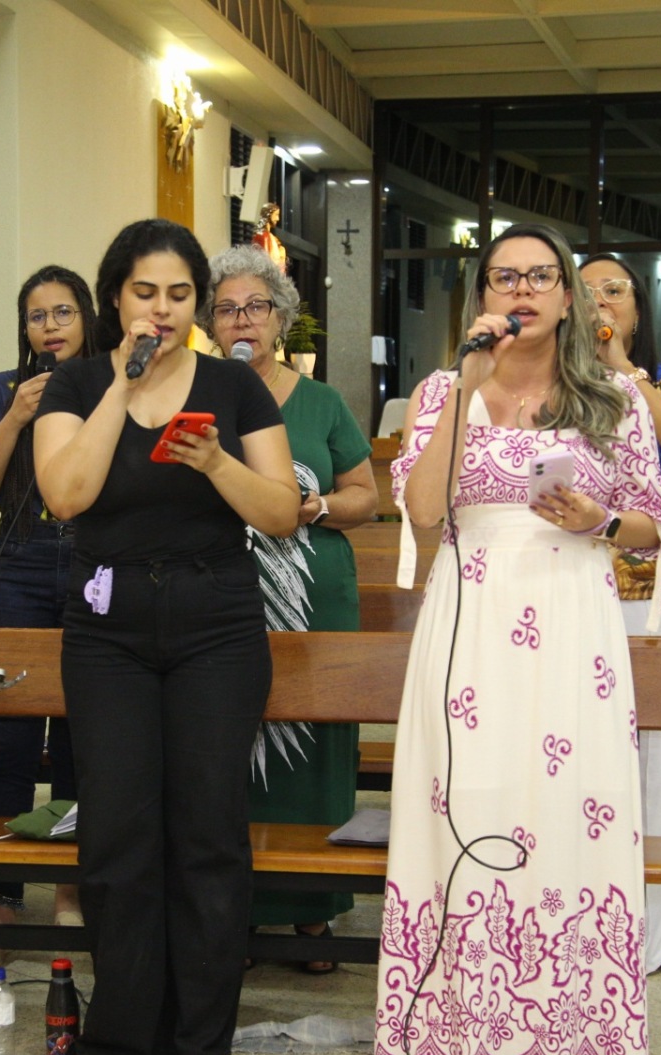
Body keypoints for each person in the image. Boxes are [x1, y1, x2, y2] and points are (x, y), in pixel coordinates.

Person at [375, 223, 661, 1055]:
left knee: (566, 815)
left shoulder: (611, 397)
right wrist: (464, 388)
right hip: (469, 624)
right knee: (461, 813)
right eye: (505, 278)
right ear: (482, 297)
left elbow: (652, 526)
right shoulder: (443, 390)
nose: (523, 292)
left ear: (568, 296)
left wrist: (598, 520)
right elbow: (424, 512)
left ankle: (566, 1049)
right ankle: (438, 1053)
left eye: (542, 277)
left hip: (573, 628)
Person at [33, 218, 298, 1055]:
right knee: (116, 833)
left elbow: (280, 513)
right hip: (106, 630)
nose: (162, 309)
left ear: (199, 305)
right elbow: (66, 494)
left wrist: (216, 460)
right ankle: (120, 1041)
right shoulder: (76, 382)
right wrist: (123, 383)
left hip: (216, 623)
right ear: (115, 297)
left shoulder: (233, 386)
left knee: (207, 832)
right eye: (145, 292)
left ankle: (205, 1040)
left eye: (180, 295)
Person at [199, 244, 378, 974]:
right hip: (221, 596)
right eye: (227, 309)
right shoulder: (197, 395)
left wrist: (320, 505)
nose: (243, 320)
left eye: (256, 307)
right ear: (210, 324)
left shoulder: (321, 402)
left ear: (280, 318)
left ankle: (313, 909)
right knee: (225, 747)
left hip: (313, 594)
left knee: (312, 746)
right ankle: (232, 912)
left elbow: (368, 497)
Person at [0, 265, 100, 965]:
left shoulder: (110, 387)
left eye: (63, 312)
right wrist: (15, 416)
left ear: (87, 318)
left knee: (80, 733)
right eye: (37, 316)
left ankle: (70, 889)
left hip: (93, 563)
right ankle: (2, 897)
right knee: (9, 737)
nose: (50, 327)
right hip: (19, 566)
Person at [580, 252, 661, 982]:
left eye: (615, 290)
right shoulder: (555, 383)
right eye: (586, 291)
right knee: (584, 754)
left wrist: (627, 374)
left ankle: (658, 934)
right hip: (576, 585)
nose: (601, 301)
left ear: (637, 307)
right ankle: (587, 920)